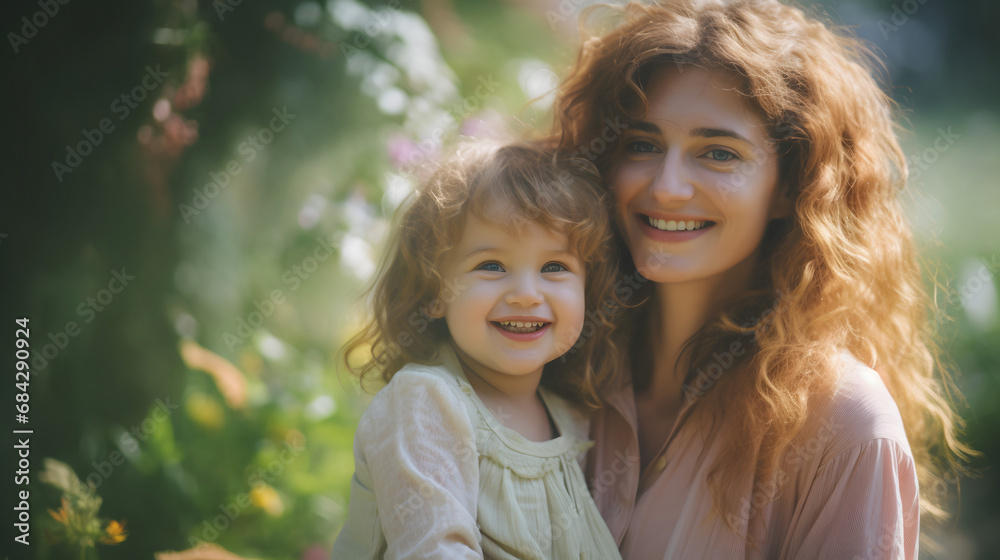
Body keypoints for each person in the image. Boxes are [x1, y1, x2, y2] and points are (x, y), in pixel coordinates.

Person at [549, 1, 973, 558]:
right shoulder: (552, 359)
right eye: (642, 144)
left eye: (718, 152)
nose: (667, 186)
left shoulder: (844, 428)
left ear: (789, 186)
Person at [331, 141, 624, 559]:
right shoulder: (425, 400)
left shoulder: (570, 418)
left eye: (554, 267)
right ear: (433, 292)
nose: (526, 294)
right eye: (491, 266)